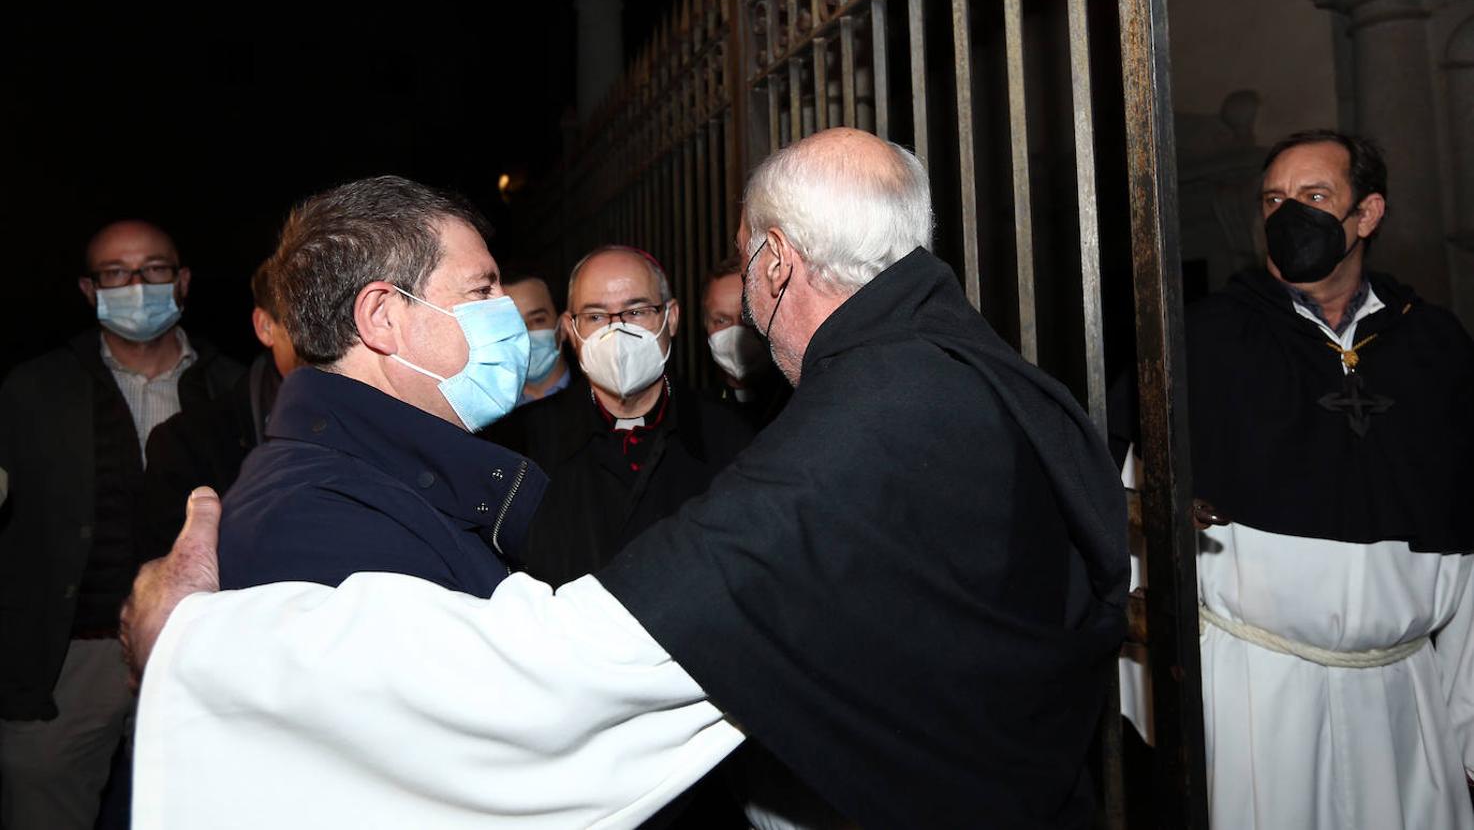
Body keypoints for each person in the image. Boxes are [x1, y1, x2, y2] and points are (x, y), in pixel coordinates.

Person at [124, 128, 1127, 830]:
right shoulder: (958, 367)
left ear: (772, 262)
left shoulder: (877, 408)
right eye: (480, 295)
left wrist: (197, 645)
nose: (507, 325)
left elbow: (595, 658)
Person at [1113, 129, 1474, 829]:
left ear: (1367, 214)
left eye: (1314, 197)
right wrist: (1162, 690)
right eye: (1274, 199)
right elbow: (1137, 517)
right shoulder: (1201, 343)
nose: (1288, 217)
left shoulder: (1434, 347)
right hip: (1254, 694)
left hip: (1404, 695)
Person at [0, 220, 241, 830]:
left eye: (154, 269)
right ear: (89, 289)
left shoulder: (232, 385)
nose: (136, 284)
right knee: (42, 800)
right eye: (115, 273)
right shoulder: (33, 389)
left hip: (200, 645)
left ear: (182, 281)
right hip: (70, 659)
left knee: (203, 806)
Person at [215, 176, 547, 596]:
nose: (507, 308)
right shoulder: (318, 525)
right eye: (481, 290)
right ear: (382, 317)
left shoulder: (385, 477)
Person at [486, 245, 752, 587]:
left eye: (637, 311)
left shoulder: (737, 436)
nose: (618, 331)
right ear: (570, 328)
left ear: (671, 318)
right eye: (596, 317)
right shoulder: (517, 446)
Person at [140, 257, 300, 544]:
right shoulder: (187, 443)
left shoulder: (387, 414)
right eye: (305, 320)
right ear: (265, 327)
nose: (330, 338)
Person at [700, 256, 788, 428]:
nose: (736, 331)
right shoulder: (693, 418)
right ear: (706, 326)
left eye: (746, 318)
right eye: (721, 320)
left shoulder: (799, 405)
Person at [502, 270, 572, 404]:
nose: (524, 334)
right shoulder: (487, 417)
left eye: (537, 320)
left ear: (563, 327)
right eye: (511, 324)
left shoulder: (600, 398)